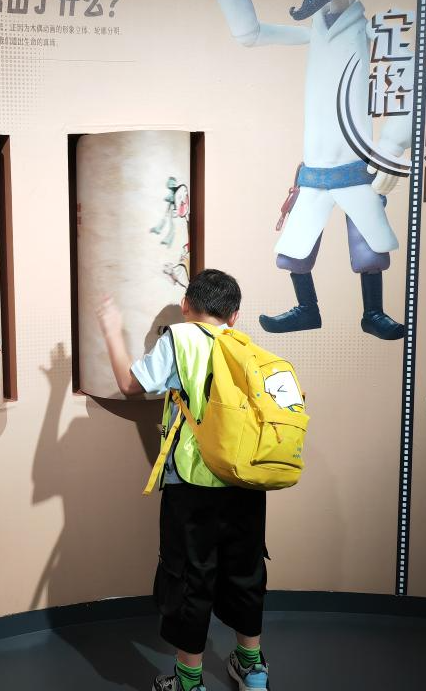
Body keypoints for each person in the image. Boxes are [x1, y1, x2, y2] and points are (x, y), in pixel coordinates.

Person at [199, 0, 410, 340]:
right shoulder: (314, 32)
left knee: (368, 246)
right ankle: (307, 308)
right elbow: (250, 33)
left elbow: (411, 81)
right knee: (297, 248)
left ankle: (373, 312)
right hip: (314, 169)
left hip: (356, 165)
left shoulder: (372, 32)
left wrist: (392, 144)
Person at [97, 269, 270, 691]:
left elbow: (130, 385)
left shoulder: (180, 338)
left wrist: (112, 332)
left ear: (186, 306)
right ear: (234, 315)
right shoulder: (244, 344)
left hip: (193, 485)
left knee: (191, 579)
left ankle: (189, 681)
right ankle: (252, 669)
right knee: (245, 571)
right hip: (246, 481)